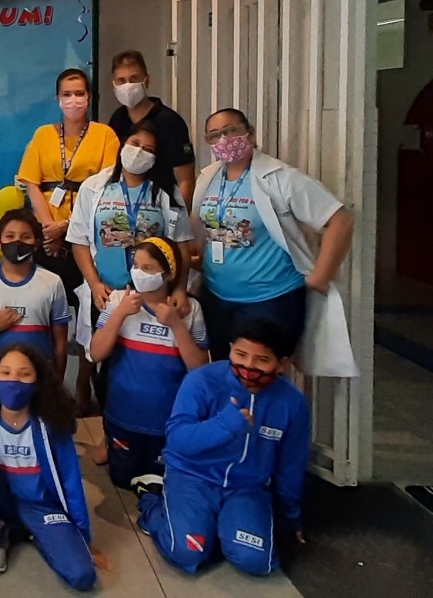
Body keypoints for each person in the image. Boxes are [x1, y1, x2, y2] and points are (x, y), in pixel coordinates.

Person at [134, 318, 310, 578]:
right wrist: (225, 424)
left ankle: (217, 526)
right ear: (229, 349)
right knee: (187, 552)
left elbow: (290, 466)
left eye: (262, 360)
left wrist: (290, 518)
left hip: (247, 488)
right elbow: (178, 440)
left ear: (282, 364)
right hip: (192, 477)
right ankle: (153, 502)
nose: (249, 366)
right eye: (240, 354)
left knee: (255, 560)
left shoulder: (292, 403)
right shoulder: (202, 380)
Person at [191, 108, 355, 367]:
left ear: (250, 133)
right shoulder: (208, 178)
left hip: (269, 300)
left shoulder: (281, 177)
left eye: (232, 131)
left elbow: (340, 220)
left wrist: (321, 276)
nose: (224, 140)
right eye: (215, 135)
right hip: (216, 298)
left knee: (258, 374)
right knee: (224, 371)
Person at [0, 345, 103, 589]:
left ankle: (27, 530)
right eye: (5, 373)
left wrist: (82, 535)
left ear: (37, 383)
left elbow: (71, 481)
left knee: (82, 575)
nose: (13, 381)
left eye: (24, 374)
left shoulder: (52, 425)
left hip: (39, 505)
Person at [17, 68, 120, 411]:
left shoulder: (105, 135)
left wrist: (68, 228)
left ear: (89, 97)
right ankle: (48, 386)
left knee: (88, 315)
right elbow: (31, 182)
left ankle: (83, 383)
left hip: (86, 237)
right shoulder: (44, 134)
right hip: (48, 236)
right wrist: (49, 228)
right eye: (67, 94)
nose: (73, 100)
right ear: (57, 98)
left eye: (80, 93)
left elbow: (107, 186)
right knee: (47, 315)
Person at [89, 239, 209, 488]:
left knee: (160, 484)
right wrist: (120, 313)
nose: (138, 273)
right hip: (123, 416)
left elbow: (200, 369)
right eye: (135, 265)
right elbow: (96, 353)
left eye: (148, 268)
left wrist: (176, 325)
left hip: (166, 421)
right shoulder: (119, 300)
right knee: (123, 481)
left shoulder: (189, 309)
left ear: (169, 273)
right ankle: (108, 446)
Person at [70, 122, 194, 328]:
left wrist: (180, 288)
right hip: (106, 292)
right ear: (123, 144)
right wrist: (94, 284)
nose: (139, 152)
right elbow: (79, 241)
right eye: (135, 144)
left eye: (148, 149)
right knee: (99, 344)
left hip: (153, 294)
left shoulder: (168, 193)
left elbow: (181, 245)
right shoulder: (93, 187)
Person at [0, 208, 71, 371]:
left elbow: (60, 343)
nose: (17, 242)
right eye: (10, 236)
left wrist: (56, 381)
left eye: (25, 237)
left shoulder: (52, 282)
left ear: (36, 244)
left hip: (40, 375)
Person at [106, 51, 196, 202]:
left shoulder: (171, 121)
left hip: (163, 203)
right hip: (124, 203)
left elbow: (185, 179)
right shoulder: (118, 119)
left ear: (146, 80)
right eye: (121, 81)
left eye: (134, 79)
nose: (128, 86)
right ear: (114, 84)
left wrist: (182, 212)